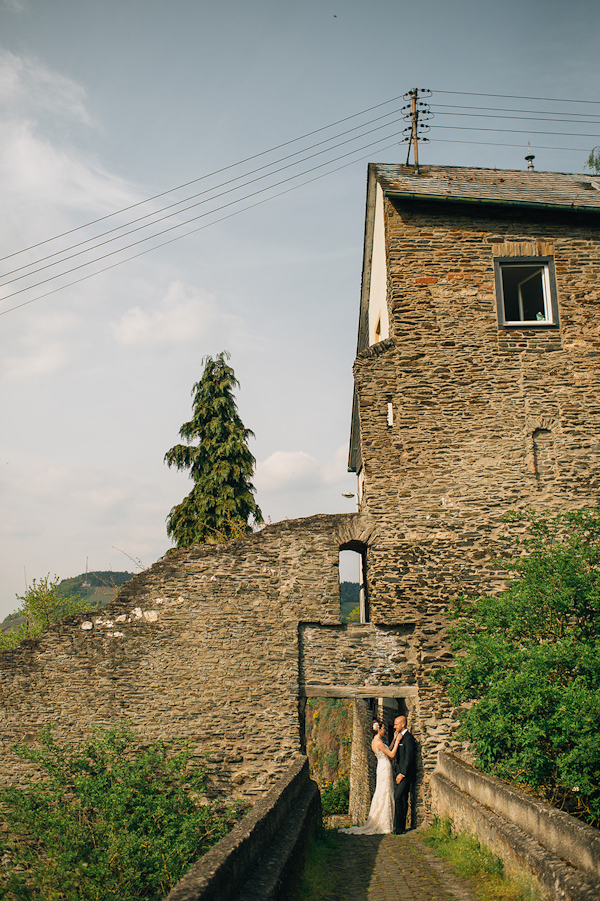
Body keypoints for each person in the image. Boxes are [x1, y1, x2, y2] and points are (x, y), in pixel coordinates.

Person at [339, 719, 401, 835]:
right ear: (379, 729)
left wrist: (393, 739)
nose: (385, 730)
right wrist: (397, 741)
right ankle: (385, 824)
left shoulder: (376, 741)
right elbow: (391, 754)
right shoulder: (378, 742)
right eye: (383, 728)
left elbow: (387, 750)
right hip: (385, 768)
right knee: (386, 792)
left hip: (381, 767)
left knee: (382, 792)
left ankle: (384, 821)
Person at [393, 715, 416, 834]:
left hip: (405, 775)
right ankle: (400, 827)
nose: (394, 726)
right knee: (401, 799)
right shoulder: (400, 737)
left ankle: (399, 827)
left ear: (403, 724)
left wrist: (402, 774)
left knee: (397, 797)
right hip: (399, 774)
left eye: (396, 724)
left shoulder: (409, 738)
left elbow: (409, 758)